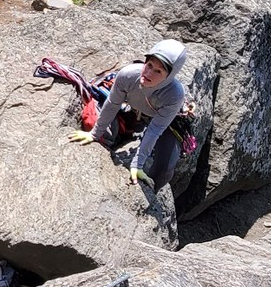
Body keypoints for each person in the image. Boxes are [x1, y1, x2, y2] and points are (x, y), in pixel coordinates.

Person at [67, 39, 189, 189]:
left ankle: (151, 196)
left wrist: (137, 164)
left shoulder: (174, 95)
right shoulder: (128, 75)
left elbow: (155, 129)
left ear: (169, 77)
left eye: (159, 71)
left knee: (165, 168)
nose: (149, 73)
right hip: (131, 108)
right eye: (149, 65)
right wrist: (94, 134)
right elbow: (112, 104)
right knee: (97, 128)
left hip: (164, 120)